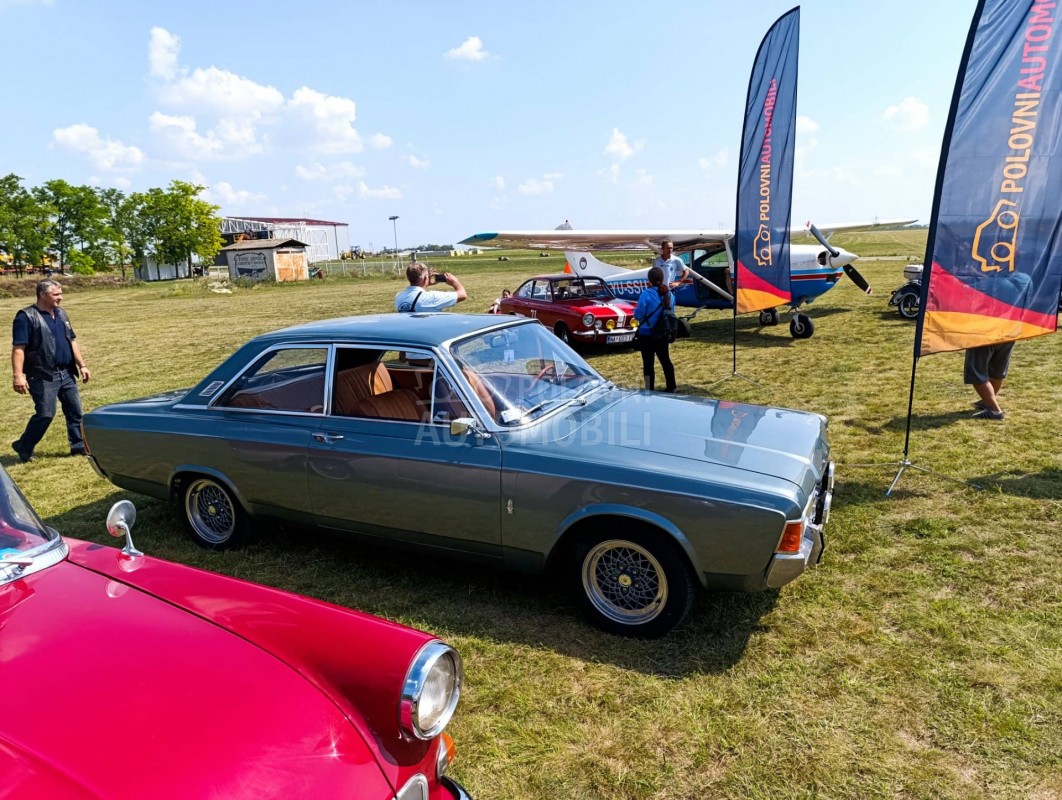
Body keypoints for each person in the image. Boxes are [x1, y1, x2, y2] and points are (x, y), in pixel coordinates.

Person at [11, 279, 91, 461]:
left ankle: (78, 445)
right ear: (42, 294)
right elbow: (18, 348)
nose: (60, 298)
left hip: (67, 372)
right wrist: (18, 376)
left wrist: (82, 365)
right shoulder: (26, 317)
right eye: (56, 294)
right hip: (43, 375)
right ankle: (24, 446)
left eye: (60, 293)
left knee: (75, 411)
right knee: (46, 414)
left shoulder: (61, 314)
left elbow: (72, 341)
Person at [633, 266, 676, 393]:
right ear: (662, 278)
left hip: (646, 333)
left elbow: (638, 314)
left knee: (648, 364)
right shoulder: (670, 294)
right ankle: (671, 386)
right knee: (666, 361)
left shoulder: (646, 294)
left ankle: (649, 389)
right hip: (663, 333)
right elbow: (672, 311)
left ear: (649, 280)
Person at [964, 341, 1015, 420]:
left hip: (983, 337)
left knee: (976, 372)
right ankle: (987, 402)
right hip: (1007, 336)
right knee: (997, 370)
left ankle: (995, 410)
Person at [395, 262, 467, 312]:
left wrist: (425, 283)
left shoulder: (398, 296)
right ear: (426, 278)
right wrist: (455, 282)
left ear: (408, 278)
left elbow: (416, 293)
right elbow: (462, 295)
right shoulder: (432, 297)